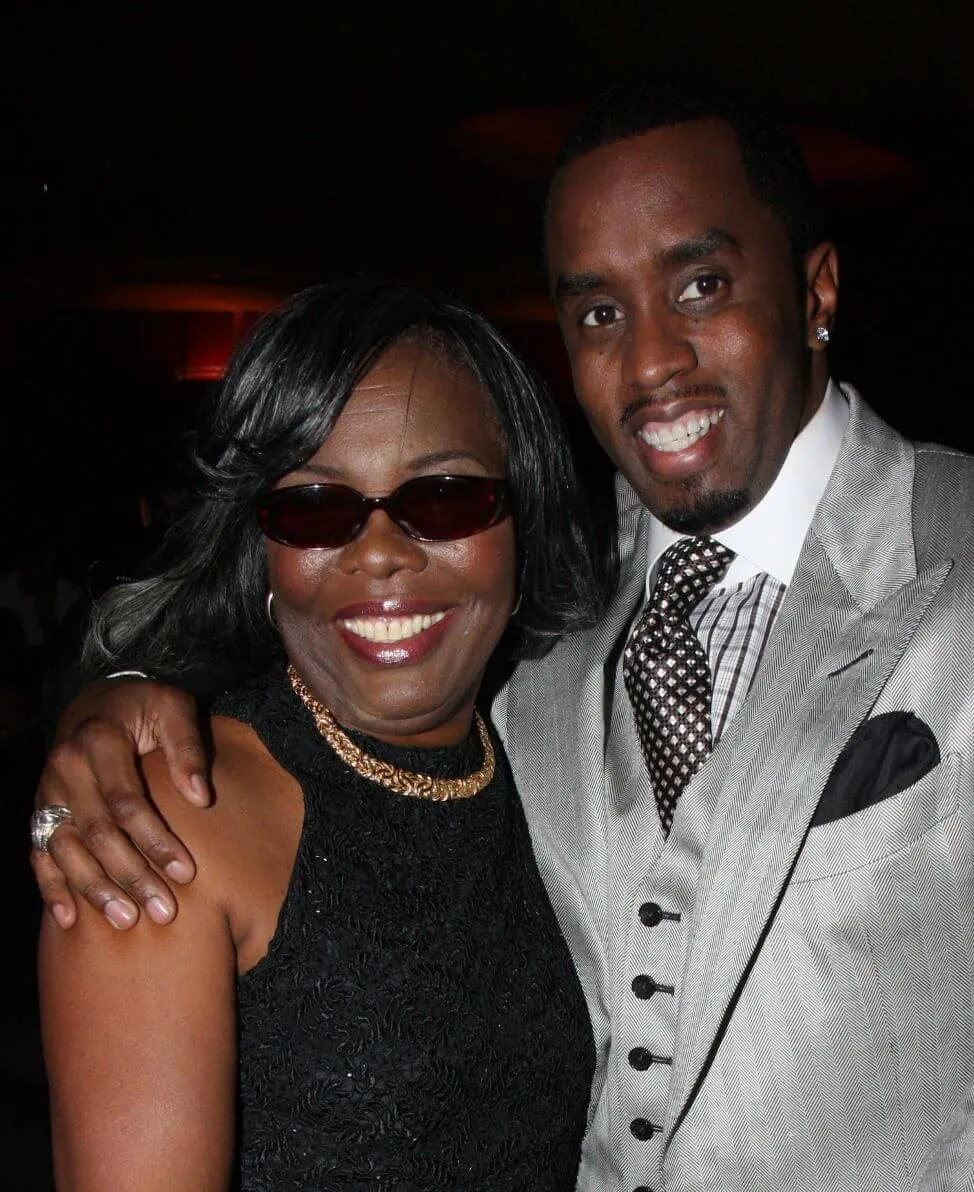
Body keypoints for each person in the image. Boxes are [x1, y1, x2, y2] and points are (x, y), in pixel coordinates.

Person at [33, 82, 974, 1191]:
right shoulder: (551, 614)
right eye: (598, 311)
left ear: (816, 290)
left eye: (699, 286)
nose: (650, 361)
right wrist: (125, 693)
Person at [36, 280, 608, 1190]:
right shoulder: (168, 824)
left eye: (447, 496)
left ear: (521, 518)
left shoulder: (560, 749)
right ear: (262, 550)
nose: (379, 549)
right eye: (314, 507)